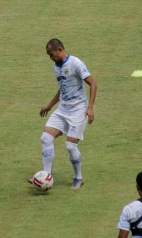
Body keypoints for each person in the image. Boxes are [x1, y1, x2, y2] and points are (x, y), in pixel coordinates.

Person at [32, 38, 97, 189]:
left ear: (60, 50)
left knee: (70, 146)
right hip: (63, 109)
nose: (51, 58)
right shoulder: (57, 66)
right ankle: (46, 177)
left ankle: (78, 178)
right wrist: (49, 105)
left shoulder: (75, 63)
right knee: (45, 138)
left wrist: (90, 107)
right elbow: (63, 87)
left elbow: (93, 83)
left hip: (78, 110)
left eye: (51, 54)